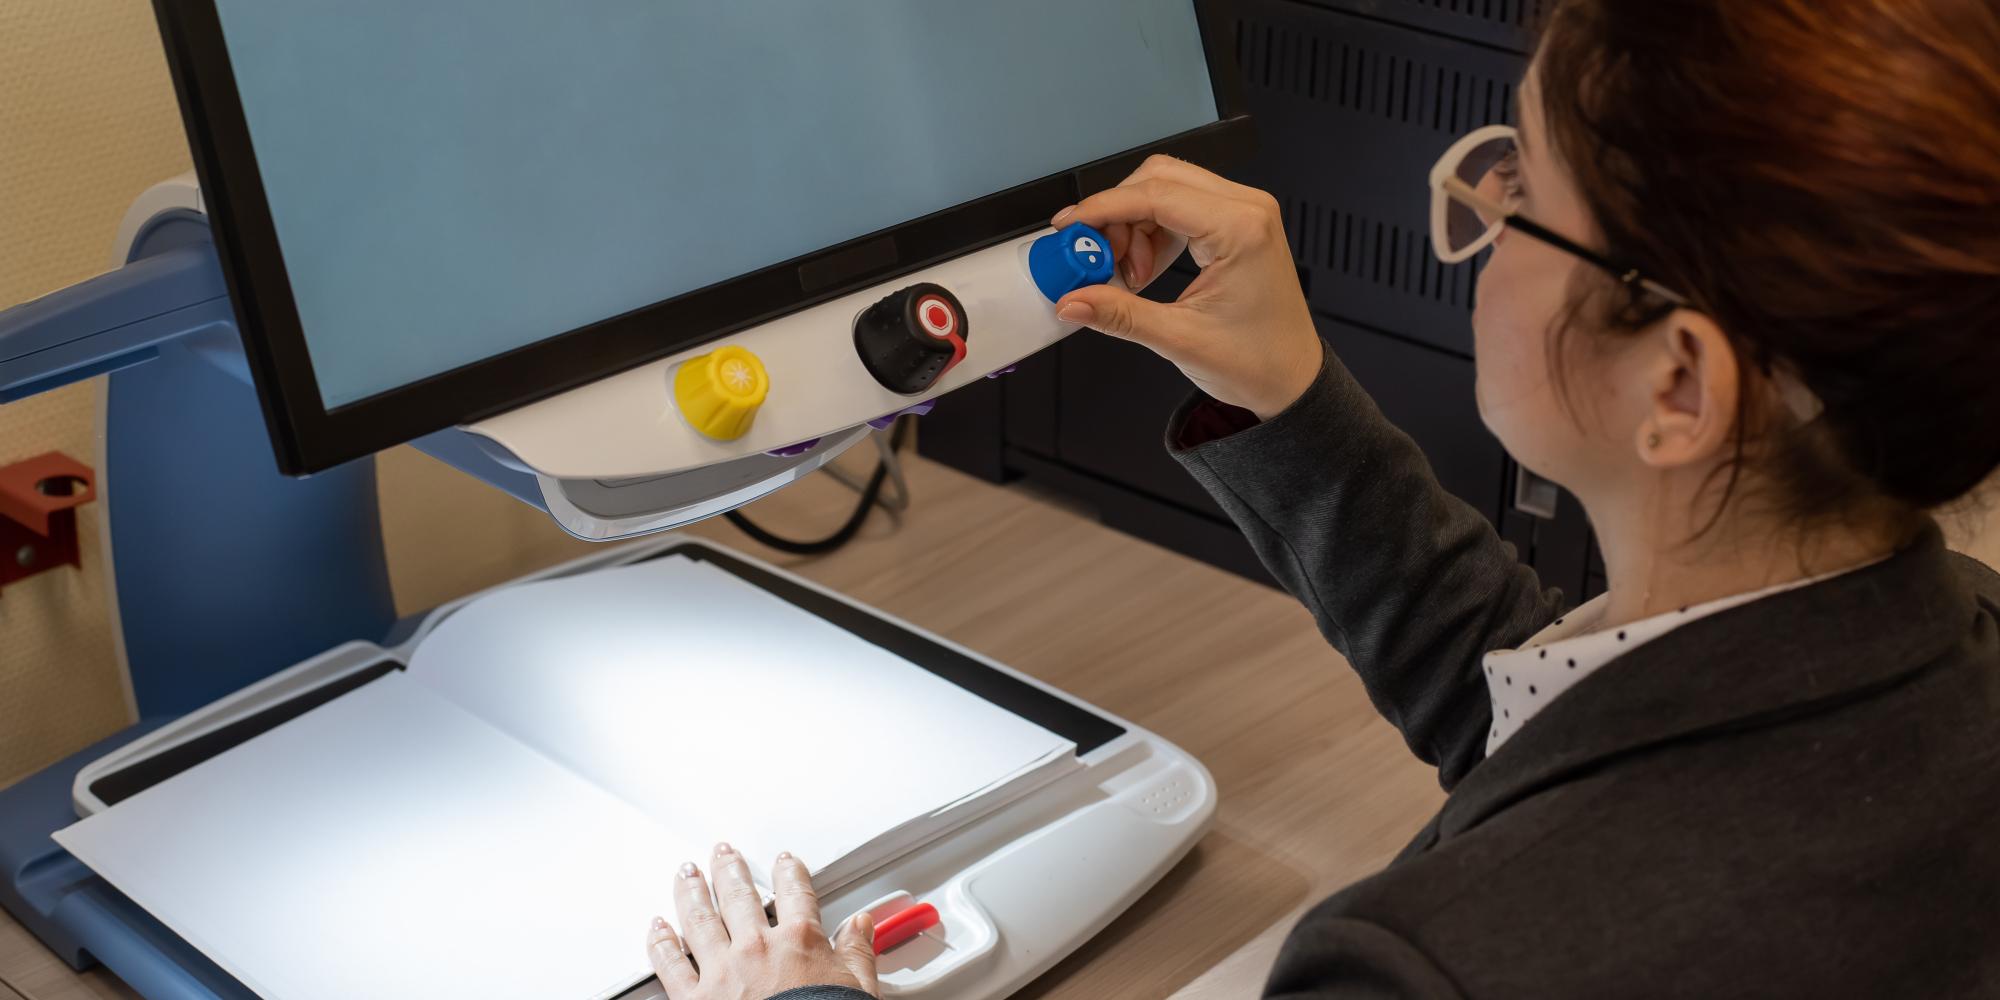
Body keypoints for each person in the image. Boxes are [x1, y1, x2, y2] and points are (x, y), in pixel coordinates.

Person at [640, 0, 2000, 995]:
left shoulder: (1429, 970)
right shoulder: (1939, 651)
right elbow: (1555, 737)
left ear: (1680, 388)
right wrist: (1289, 393)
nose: (1475, 218)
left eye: (1518, 191)